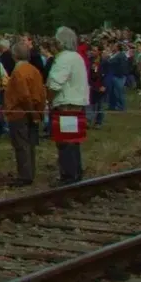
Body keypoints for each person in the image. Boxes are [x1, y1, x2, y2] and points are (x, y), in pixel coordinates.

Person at [45, 25, 90, 185]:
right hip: (76, 104)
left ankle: (69, 176)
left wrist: (47, 100)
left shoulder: (64, 58)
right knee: (73, 141)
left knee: (66, 142)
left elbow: (55, 84)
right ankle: (75, 173)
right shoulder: (77, 57)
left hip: (67, 106)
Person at [2, 38, 46, 186]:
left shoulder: (18, 72)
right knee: (30, 144)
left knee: (21, 145)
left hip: (20, 112)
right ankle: (30, 172)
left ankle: (25, 176)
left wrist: (32, 112)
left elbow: (24, 95)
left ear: (14, 55)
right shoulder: (35, 70)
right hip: (33, 111)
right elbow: (41, 93)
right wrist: (38, 112)